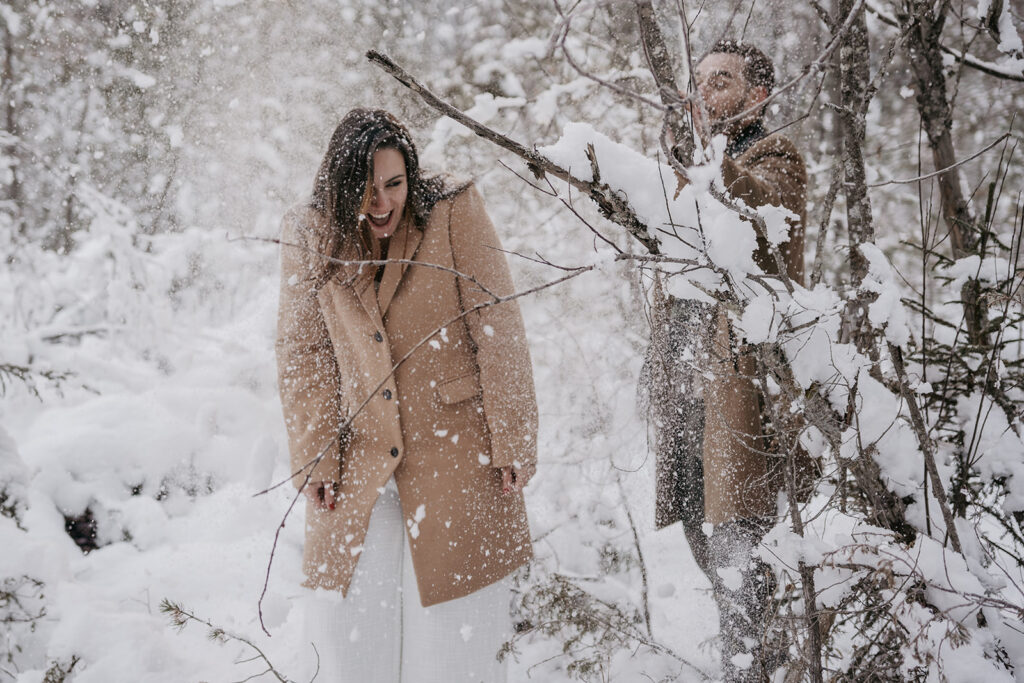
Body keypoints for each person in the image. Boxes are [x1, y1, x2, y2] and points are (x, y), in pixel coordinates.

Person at [275, 108, 538, 682]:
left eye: (394, 185)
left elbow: (497, 326)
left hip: (457, 458)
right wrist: (317, 455)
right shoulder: (309, 231)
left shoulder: (451, 211)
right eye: (365, 190)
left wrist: (512, 438)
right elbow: (304, 353)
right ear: (339, 186)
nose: (382, 204)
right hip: (356, 462)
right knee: (351, 649)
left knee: (454, 652)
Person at [650, 40, 810, 681]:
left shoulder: (776, 159)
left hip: (739, 394)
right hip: (686, 388)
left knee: (742, 566)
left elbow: (759, 219)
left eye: (721, 81)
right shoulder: (697, 166)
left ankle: (757, 671)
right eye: (700, 82)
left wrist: (706, 168)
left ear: (758, 95)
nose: (704, 93)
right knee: (709, 554)